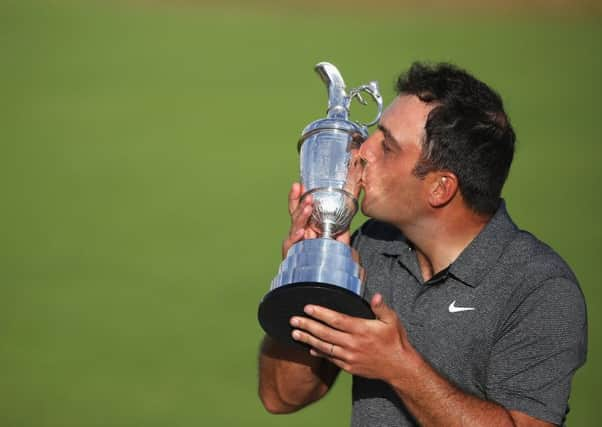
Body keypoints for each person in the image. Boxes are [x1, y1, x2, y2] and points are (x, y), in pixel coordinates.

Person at [257, 62, 587, 426]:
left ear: (439, 188)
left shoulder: (539, 289)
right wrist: (306, 271)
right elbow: (281, 396)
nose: (362, 151)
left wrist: (400, 367)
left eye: (388, 146)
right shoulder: (373, 245)